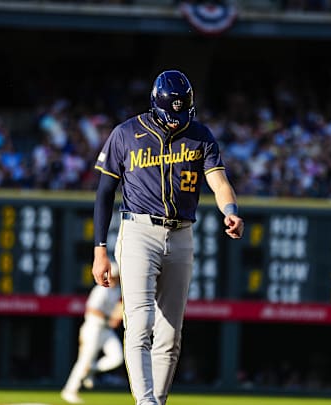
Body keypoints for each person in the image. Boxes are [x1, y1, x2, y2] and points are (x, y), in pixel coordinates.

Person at [91, 70, 244, 405]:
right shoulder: (126, 133)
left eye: (181, 114)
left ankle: (156, 402)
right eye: (169, 114)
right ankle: (145, 402)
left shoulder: (200, 135)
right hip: (138, 231)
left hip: (181, 234)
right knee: (141, 321)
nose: (175, 121)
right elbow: (104, 192)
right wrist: (99, 248)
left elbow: (218, 181)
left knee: (171, 333)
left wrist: (230, 210)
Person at [61, 262, 124, 404]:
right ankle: (70, 390)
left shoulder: (117, 290)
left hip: (105, 330)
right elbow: (92, 310)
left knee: (117, 357)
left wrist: (116, 316)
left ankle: (92, 369)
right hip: (93, 327)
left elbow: (119, 306)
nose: (115, 278)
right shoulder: (101, 289)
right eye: (114, 276)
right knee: (84, 360)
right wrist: (111, 318)